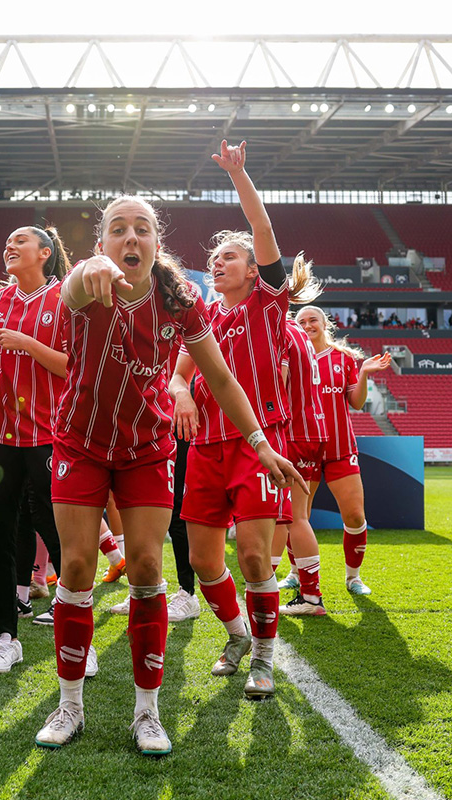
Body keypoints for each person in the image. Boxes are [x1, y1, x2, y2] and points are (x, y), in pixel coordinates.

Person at [33, 194, 303, 755]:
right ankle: (70, 705)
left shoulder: (180, 301)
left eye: (142, 230)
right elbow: (72, 287)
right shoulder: (85, 285)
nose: (130, 239)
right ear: (101, 241)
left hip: (146, 449)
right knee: (78, 565)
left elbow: (222, 380)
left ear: (158, 244)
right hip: (79, 445)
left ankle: (147, 713)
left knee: (149, 565)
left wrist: (260, 441)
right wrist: (94, 268)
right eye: (117, 230)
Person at [169, 140, 314, 705]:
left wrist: (239, 175)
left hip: (259, 444)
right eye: (215, 259)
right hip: (204, 446)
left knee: (253, 555)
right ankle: (235, 635)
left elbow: (261, 224)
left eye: (230, 256)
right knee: (204, 559)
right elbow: (180, 373)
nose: (218, 262)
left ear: (255, 270)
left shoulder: (267, 304)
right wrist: (180, 392)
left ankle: (263, 659)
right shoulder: (203, 317)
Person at [0, 226, 69, 675]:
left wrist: (25, 344)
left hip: (49, 435)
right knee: (0, 535)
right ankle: (6, 637)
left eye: (20, 240)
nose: (9, 244)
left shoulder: (67, 298)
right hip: (1, 437)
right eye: (6, 240)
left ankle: (75, 629)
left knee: (57, 531)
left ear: (44, 253)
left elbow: (70, 365)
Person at [291, 306, 393, 595]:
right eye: (301, 321)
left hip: (339, 447)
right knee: (299, 517)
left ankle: (353, 577)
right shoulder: (289, 356)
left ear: (325, 324)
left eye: (313, 320)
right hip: (301, 447)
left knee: (355, 516)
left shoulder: (345, 358)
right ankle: (295, 572)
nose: (307, 325)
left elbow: (357, 403)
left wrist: (364, 374)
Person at [272, 316, 329, 616]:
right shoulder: (297, 331)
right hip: (311, 429)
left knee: (287, 517)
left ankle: (269, 587)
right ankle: (309, 593)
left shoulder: (278, 329)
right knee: (297, 516)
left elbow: (276, 384)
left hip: (292, 432)